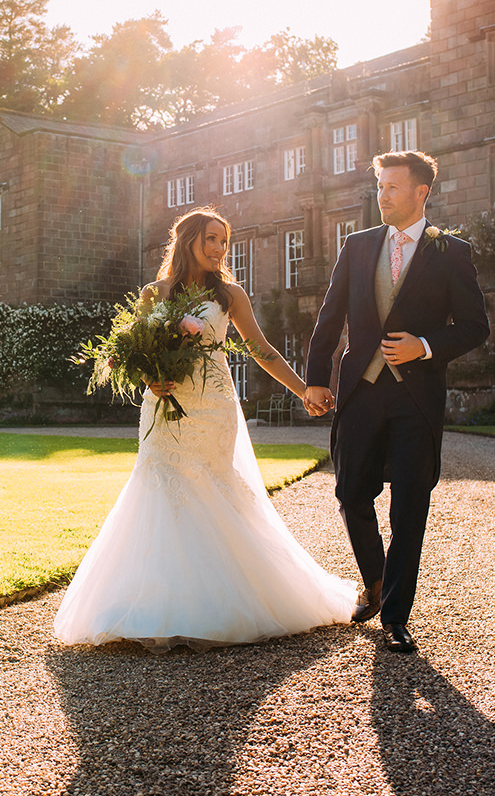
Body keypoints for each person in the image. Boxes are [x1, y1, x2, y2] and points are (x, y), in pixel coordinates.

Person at [53, 207, 356, 652]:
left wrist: (303, 390)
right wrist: (149, 379)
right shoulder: (153, 294)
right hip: (164, 403)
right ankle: (156, 604)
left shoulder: (231, 295)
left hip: (213, 407)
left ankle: (225, 602)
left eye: (224, 243)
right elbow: (137, 350)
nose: (218, 249)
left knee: (212, 488)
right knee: (158, 490)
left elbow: (261, 350)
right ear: (188, 239)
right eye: (211, 239)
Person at [304, 151, 489, 653]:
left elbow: (475, 326)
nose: (381, 195)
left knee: (410, 503)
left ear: (420, 193)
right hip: (361, 391)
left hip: (416, 397)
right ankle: (378, 580)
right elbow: (330, 316)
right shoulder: (358, 246)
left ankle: (396, 617)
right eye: (379, 186)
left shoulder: (452, 252)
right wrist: (316, 379)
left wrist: (424, 346)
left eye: (390, 187)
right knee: (350, 492)